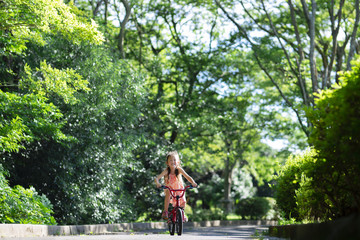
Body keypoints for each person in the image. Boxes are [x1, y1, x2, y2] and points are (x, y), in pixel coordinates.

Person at [154, 151, 198, 221]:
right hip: (170, 188)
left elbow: (187, 177)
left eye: (174, 160)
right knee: (168, 193)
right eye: (170, 160)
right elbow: (157, 178)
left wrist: (193, 182)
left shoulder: (179, 169)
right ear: (167, 163)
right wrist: (158, 183)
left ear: (178, 162)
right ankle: (165, 211)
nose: (173, 161)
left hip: (179, 188)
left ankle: (182, 214)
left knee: (183, 201)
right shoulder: (166, 171)